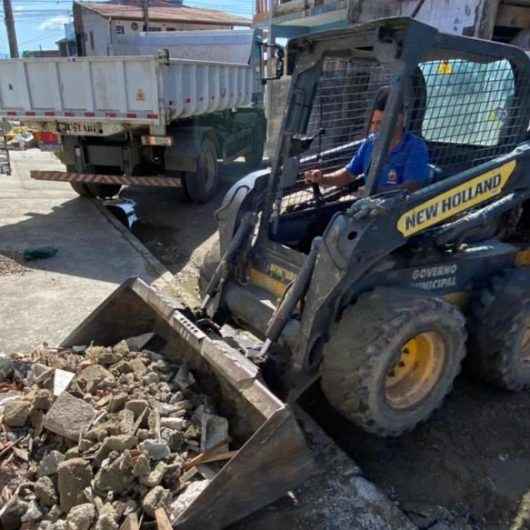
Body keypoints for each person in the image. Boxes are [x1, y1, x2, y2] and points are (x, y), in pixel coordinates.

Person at [304, 87, 430, 194]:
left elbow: (411, 187)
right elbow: (348, 174)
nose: (374, 130)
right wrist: (322, 178)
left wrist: (373, 193)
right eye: (372, 123)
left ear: (399, 119)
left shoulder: (415, 147)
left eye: (380, 123)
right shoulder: (370, 143)